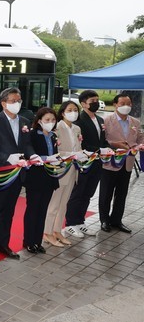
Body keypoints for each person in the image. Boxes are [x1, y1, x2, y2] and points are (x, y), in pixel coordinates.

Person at [0, 87, 38, 262]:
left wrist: (32, 154)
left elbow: (26, 144)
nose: (18, 104)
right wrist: (7, 157)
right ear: (4, 103)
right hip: (0, 175)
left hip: (17, 174)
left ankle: (2, 243)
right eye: (14, 101)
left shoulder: (24, 121)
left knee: (9, 212)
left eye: (19, 100)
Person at [63, 90, 110, 238]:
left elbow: (103, 140)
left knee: (88, 193)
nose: (96, 103)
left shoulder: (101, 120)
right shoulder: (79, 121)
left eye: (97, 99)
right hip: (83, 163)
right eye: (92, 100)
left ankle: (80, 221)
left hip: (97, 162)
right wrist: (99, 149)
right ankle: (70, 223)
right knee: (78, 193)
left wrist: (110, 149)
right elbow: (81, 143)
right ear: (83, 103)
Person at [99, 94, 144, 233]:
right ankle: (104, 220)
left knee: (122, 193)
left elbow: (141, 139)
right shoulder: (106, 121)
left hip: (128, 162)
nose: (126, 106)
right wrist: (116, 144)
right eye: (123, 103)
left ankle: (116, 220)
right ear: (115, 105)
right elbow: (102, 141)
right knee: (106, 193)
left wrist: (139, 146)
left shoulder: (135, 122)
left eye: (129, 103)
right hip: (110, 163)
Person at [43, 101, 83, 247]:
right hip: (60, 170)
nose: (73, 112)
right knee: (54, 204)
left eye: (75, 110)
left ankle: (57, 230)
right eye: (69, 110)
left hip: (73, 169)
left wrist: (82, 154)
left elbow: (79, 147)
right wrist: (72, 154)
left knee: (64, 203)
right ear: (62, 112)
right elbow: (55, 152)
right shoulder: (56, 128)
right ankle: (47, 232)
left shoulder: (77, 128)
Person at [23, 108, 59, 254]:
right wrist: (43, 158)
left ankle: (38, 241)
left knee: (43, 210)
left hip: (50, 177)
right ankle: (28, 241)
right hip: (35, 178)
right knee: (33, 209)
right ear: (39, 121)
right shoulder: (32, 135)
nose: (50, 123)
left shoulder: (53, 136)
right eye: (47, 120)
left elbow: (54, 154)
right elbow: (28, 152)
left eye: (53, 120)